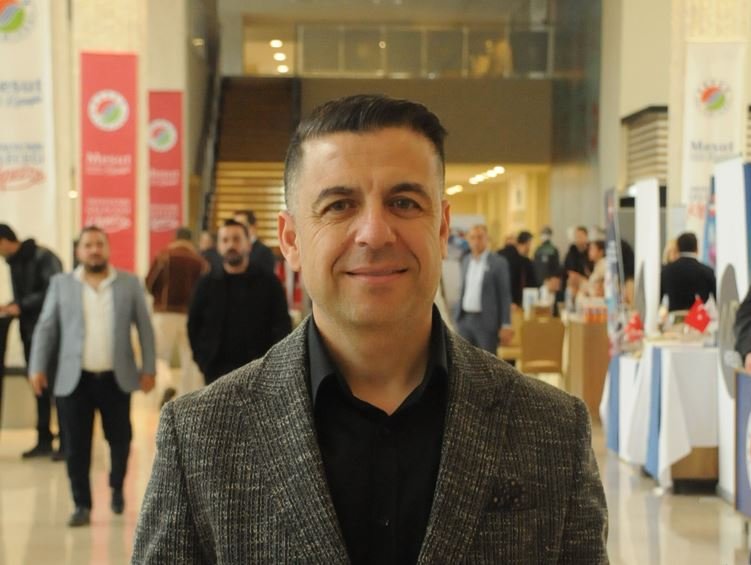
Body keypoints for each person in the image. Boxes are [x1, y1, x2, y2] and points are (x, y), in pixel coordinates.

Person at [133, 94, 607, 563]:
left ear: (443, 229)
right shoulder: (198, 438)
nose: (375, 233)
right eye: (339, 205)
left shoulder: (552, 429)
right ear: (291, 239)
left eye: (404, 202)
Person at [28, 226, 156, 527]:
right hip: (74, 381)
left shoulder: (128, 283)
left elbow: (145, 327)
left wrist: (149, 368)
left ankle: (116, 487)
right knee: (76, 446)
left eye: (99, 244)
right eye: (88, 245)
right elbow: (46, 327)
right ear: (79, 251)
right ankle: (81, 504)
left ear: (108, 249)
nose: (94, 250)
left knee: (120, 440)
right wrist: (37, 367)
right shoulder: (61, 284)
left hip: (116, 379)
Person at [187, 219, 291, 384]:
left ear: (248, 245)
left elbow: (282, 324)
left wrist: (272, 364)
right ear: (218, 247)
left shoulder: (269, 283)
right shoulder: (206, 284)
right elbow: (194, 324)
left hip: (259, 372)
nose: (231, 245)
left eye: (236, 239)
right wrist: (203, 360)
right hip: (215, 372)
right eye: (225, 240)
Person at [0, 223, 63, 459]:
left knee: (57, 388)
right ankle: (44, 440)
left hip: (50, 335)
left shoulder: (44, 257)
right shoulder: (14, 262)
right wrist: (12, 306)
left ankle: (66, 442)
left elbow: (55, 292)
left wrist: (21, 305)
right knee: (38, 387)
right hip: (28, 333)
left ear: (4, 241)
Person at [145, 227, 207, 404]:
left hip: (164, 314)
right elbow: (205, 289)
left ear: (175, 238)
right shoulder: (200, 261)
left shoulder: (164, 256)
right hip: (191, 315)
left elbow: (149, 283)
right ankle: (187, 398)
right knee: (189, 358)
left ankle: (166, 385)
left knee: (159, 355)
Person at [454, 224, 513, 353]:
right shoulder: (465, 260)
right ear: (468, 240)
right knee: (464, 360)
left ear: (487, 239)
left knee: (486, 361)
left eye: (480, 237)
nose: (476, 241)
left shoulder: (498, 262)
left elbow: (504, 295)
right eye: (472, 237)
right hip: (465, 320)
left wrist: (506, 324)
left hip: (486, 322)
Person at [660, 232, 716, 312]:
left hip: (674, 317)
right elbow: (716, 299)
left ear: (678, 249)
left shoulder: (666, 271)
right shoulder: (707, 271)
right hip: (699, 318)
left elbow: (659, 297)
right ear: (696, 248)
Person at [498, 229, 538, 307]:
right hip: (516, 304)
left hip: (501, 302)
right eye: (530, 244)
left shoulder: (499, 255)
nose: (530, 248)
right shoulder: (523, 261)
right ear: (527, 243)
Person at [233, 209, 276, 274]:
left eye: (241, 225)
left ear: (253, 226)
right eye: (234, 225)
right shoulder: (231, 250)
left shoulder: (265, 253)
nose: (236, 229)